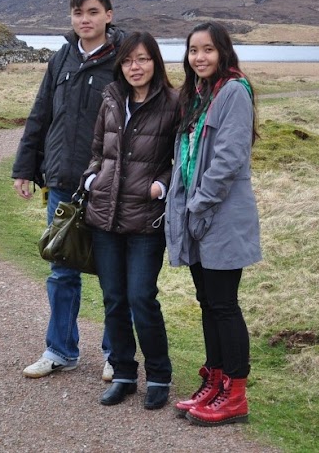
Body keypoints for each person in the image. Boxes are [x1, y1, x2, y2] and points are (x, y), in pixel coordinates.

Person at [13, 0, 124, 379]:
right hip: (62, 183)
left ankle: (117, 355)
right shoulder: (61, 59)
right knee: (62, 271)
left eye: (92, 12)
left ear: (108, 15)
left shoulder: (125, 60)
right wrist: (25, 167)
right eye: (78, 13)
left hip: (111, 186)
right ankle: (60, 349)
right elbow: (40, 114)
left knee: (114, 274)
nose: (85, 20)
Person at [165, 21, 261, 426]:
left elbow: (229, 158)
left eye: (207, 50)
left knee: (224, 305)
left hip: (221, 217)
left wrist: (199, 203)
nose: (199, 57)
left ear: (223, 52)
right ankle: (215, 379)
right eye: (192, 51)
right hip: (198, 218)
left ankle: (235, 394)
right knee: (208, 303)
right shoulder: (199, 96)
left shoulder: (234, 92)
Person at [80, 32, 180, 410]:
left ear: (155, 61)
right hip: (104, 217)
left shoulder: (173, 103)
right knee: (114, 299)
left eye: (142, 59)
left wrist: (161, 185)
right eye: (127, 61)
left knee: (141, 298)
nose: (134, 67)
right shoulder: (111, 100)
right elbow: (95, 151)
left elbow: (180, 160)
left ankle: (158, 375)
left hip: (146, 220)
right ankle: (123, 373)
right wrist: (92, 180)